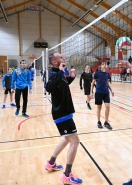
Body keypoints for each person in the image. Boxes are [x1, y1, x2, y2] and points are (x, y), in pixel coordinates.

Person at [44, 53, 82, 185]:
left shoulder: (59, 73)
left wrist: (71, 77)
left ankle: (51, 163)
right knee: (75, 141)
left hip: (65, 112)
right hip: (61, 113)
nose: (64, 58)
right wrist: (61, 72)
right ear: (55, 62)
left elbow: (63, 84)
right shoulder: (53, 73)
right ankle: (67, 175)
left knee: (67, 139)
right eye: (61, 57)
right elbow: (49, 87)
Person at [90, 61, 114, 130]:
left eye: (105, 64)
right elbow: (92, 83)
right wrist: (91, 92)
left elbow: (107, 83)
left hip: (106, 92)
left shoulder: (107, 74)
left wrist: (111, 90)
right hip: (99, 92)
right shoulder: (97, 73)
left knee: (108, 106)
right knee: (99, 108)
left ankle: (106, 122)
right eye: (103, 64)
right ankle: (99, 121)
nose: (104, 65)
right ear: (100, 66)